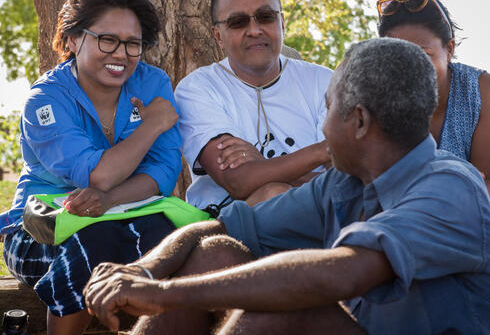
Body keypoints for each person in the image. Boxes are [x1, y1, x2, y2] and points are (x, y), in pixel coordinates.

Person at [84, 38, 490, 335]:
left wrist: (166, 294)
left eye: (329, 108)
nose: (323, 127)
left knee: (283, 312)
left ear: (361, 122)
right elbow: (223, 227)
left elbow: (344, 273)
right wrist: (144, 271)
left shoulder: (452, 189)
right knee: (216, 252)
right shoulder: (343, 184)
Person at [0, 0, 182, 335]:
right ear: (72, 39)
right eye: (107, 40)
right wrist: (152, 125)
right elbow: (96, 176)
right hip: (42, 230)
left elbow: (163, 168)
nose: (121, 54)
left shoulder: (152, 82)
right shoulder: (46, 101)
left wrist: (109, 199)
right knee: (97, 241)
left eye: (133, 44)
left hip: (131, 219)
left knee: (172, 241)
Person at [174, 0, 333, 209]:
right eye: (238, 22)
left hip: (321, 211)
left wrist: (260, 165)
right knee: (275, 194)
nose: (255, 29)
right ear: (218, 36)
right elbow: (238, 181)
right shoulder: (198, 88)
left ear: (282, 23)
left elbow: (346, 182)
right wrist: (323, 151)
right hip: (226, 222)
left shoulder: (324, 81)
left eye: (266, 16)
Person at [377, 0, 490, 189]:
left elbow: (485, 183)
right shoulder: (375, 98)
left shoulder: (480, 91)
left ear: (449, 49)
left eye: (423, 54)